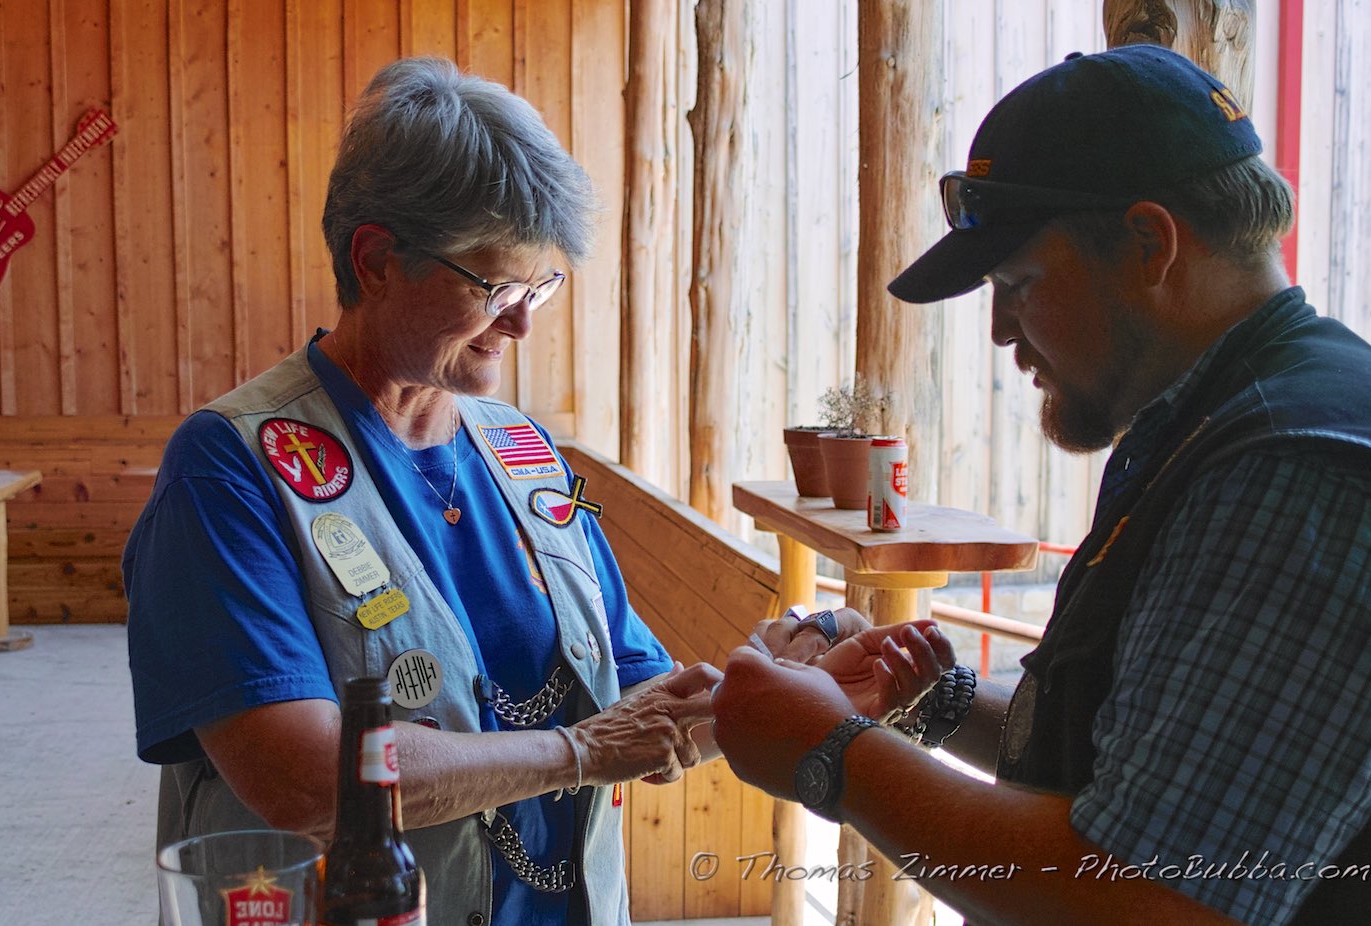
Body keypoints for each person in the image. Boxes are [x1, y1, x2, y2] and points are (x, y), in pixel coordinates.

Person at [123, 57, 888, 926]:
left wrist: (775, 685)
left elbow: (638, 711)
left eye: (540, 285)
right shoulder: (228, 466)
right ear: (376, 261)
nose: (522, 320)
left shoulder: (525, 454)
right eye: (494, 286)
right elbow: (299, 779)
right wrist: (575, 752)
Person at [712, 45, 1371, 925]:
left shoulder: (1298, 477)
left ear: (1150, 244)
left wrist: (829, 754)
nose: (1000, 329)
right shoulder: (1218, 424)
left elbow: (1149, 898)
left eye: (1018, 284)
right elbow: (1150, 760)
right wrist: (933, 700)